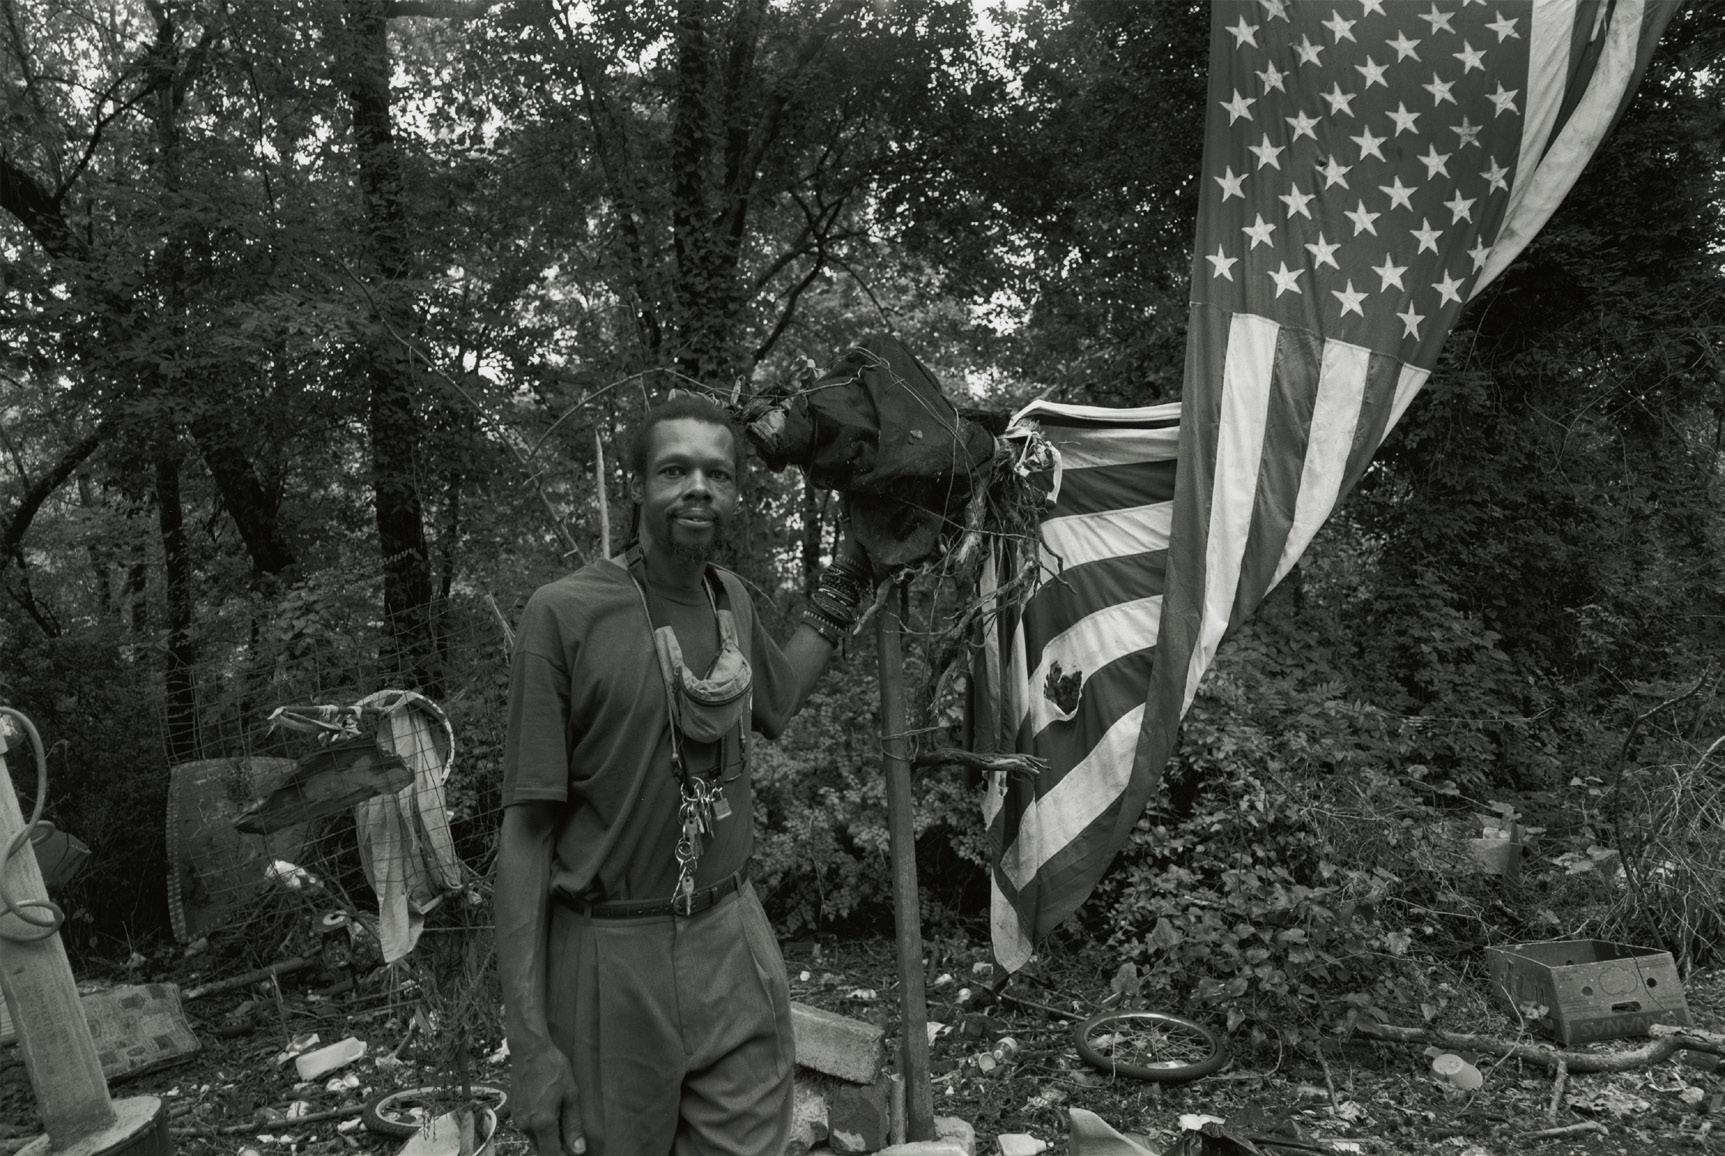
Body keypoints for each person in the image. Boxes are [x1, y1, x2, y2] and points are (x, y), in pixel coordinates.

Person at [496, 395, 872, 1156]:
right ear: (638, 486)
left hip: (731, 935)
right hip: (611, 954)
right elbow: (526, 834)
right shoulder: (564, 615)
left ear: (734, 494)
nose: (698, 487)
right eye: (674, 470)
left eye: (717, 474)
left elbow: (776, 702)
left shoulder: (729, 597)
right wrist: (529, 1043)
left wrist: (852, 575)